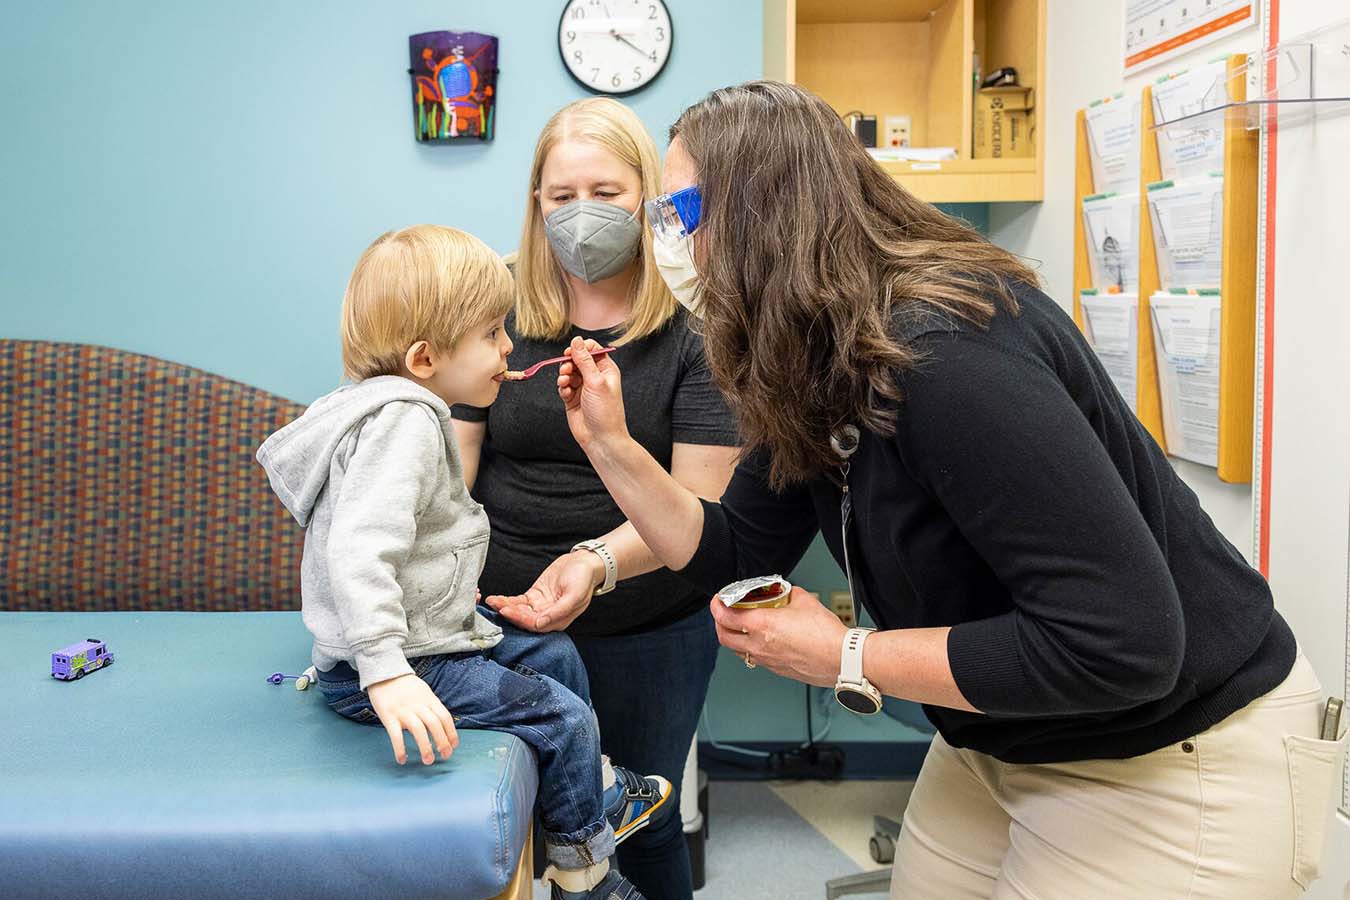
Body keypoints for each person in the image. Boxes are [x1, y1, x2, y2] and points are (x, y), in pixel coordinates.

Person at [544, 81, 1346, 899]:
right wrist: (609, 445)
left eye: (680, 211)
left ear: (762, 212)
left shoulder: (950, 355)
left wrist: (846, 655)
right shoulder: (817, 353)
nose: (667, 241)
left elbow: (1125, 644)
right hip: (1003, 736)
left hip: (1170, 746)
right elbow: (733, 549)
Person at [256, 225, 671, 900]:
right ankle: (586, 875)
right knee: (560, 717)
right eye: (490, 334)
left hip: (429, 637)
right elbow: (357, 552)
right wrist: (386, 674)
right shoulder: (405, 423)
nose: (509, 347)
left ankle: (596, 793)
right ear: (425, 357)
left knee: (555, 653)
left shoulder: (388, 407)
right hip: (402, 661)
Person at [451, 98, 741, 900]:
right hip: (498, 617)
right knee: (509, 834)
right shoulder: (494, 306)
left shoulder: (700, 324)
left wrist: (593, 562)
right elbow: (455, 460)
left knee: (635, 831)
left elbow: (700, 503)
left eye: (606, 193)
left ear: (647, 196)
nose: (582, 214)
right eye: (560, 196)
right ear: (535, 205)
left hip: (648, 625)